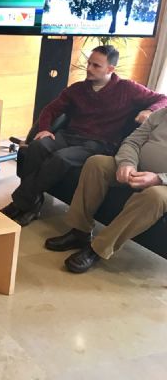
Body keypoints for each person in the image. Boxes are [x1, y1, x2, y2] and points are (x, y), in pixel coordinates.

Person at [1, 45, 167, 226]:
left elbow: (162, 99)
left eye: (96, 65)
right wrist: (45, 128)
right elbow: (50, 109)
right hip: (69, 136)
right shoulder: (78, 89)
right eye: (89, 63)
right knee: (37, 146)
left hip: (100, 143)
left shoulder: (127, 88)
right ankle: (32, 203)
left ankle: (21, 203)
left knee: (60, 158)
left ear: (110, 69)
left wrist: (150, 111)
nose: (89, 68)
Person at [44, 108, 167, 273]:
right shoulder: (161, 114)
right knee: (97, 164)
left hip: (163, 184)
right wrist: (127, 163)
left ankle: (97, 249)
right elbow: (132, 141)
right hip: (137, 167)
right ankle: (80, 231)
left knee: (154, 196)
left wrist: (159, 178)